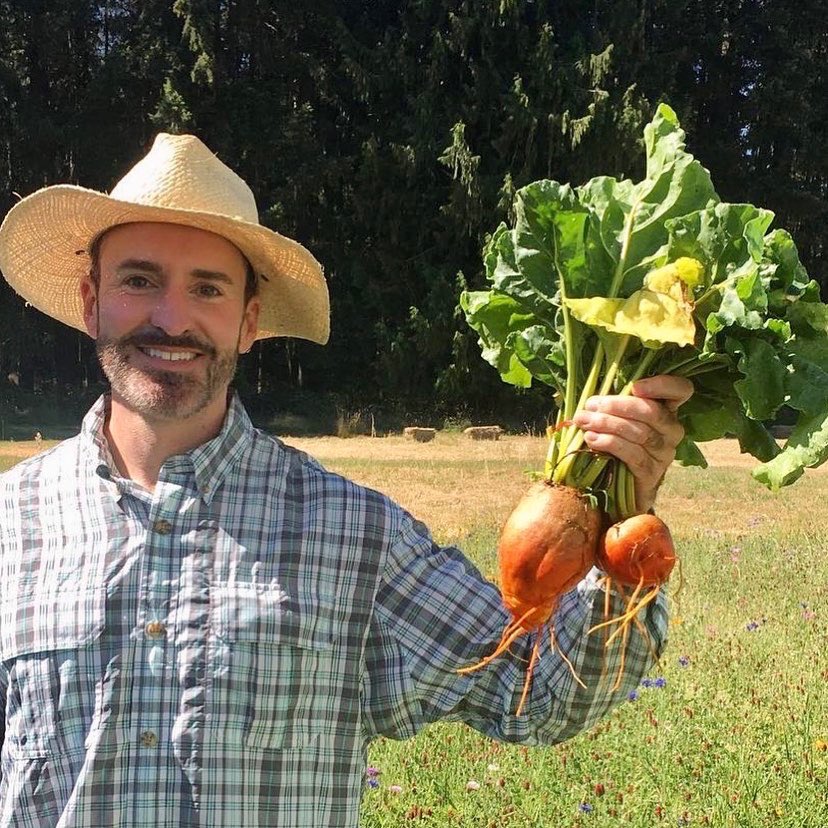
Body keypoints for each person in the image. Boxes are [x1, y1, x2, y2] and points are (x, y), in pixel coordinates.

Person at [0, 134, 692, 828]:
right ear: (93, 301)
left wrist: (625, 526)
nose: (173, 318)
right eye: (139, 280)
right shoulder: (10, 524)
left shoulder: (356, 536)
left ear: (247, 322)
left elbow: (540, 698)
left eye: (207, 288)